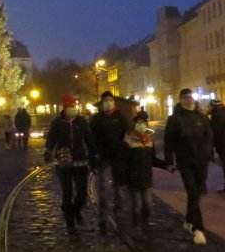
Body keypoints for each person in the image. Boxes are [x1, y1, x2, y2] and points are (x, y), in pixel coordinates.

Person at [164, 88, 213, 246]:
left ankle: (188, 219)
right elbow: (168, 142)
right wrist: (169, 162)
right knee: (192, 192)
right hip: (185, 161)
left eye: (190, 97)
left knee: (197, 193)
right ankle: (198, 229)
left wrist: (208, 154)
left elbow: (209, 137)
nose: (188, 100)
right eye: (185, 97)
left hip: (201, 161)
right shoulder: (175, 119)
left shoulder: (202, 118)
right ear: (180, 99)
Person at [43, 94, 95, 235]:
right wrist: (47, 151)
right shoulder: (57, 122)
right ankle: (70, 223)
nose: (74, 109)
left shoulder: (82, 121)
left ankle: (76, 209)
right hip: (64, 160)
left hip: (80, 161)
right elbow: (51, 139)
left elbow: (89, 140)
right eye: (71, 107)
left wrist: (93, 156)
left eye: (74, 106)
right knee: (67, 192)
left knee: (82, 194)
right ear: (64, 108)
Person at [90, 91, 129, 230]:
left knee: (119, 189)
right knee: (104, 189)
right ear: (102, 102)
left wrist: (124, 154)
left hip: (118, 158)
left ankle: (118, 214)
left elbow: (126, 137)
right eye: (106, 100)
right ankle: (103, 216)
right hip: (104, 158)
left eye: (110, 99)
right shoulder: (97, 119)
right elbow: (92, 140)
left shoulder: (120, 118)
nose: (108, 102)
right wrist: (94, 157)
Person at [121, 113, 167, 223]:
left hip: (146, 179)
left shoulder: (149, 142)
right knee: (137, 205)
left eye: (144, 122)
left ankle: (143, 223)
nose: (141, 125)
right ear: (134, 124)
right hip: (133, 179)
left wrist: (167, 165)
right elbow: (122, 162)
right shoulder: (128, 141)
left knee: (148, 205)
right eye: (139, 122)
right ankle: (137, 226)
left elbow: (153, 160)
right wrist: (122, 178)